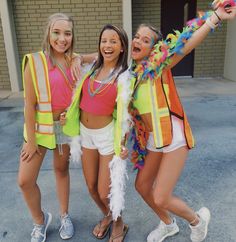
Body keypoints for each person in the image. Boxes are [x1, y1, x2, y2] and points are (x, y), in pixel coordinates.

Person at [128, 3, 236, 242]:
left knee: (161, 197)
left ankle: (197, 221)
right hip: (155, 138)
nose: (138, 41)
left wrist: (214, 17)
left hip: (173, 135)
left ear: (155, 49)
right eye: (137, 37)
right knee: (142, 186)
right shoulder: (132, 77)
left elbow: (185, 46)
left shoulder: (159, 66)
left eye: (146, 40)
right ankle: (168, 224)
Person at [17, 13, 95, 242]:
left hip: (65, 126)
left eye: (67, 34)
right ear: (48, 34)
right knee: (24, 180)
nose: (62, 39)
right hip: (39, 130)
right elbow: (29, 106)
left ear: (72, 36)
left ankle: (64, 216)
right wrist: (31, 141)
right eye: (57, 33)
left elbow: (99, 55)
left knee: (61, 171)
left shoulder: (73, 59)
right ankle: (40, 221)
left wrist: (80, 59)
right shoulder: (34, 61)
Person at [62, 24, 131, 242]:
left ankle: (119, 222)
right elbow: (80, 62)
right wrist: (79, 58)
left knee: (104, 191)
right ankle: (109, 216)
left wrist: (123, 141)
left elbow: (126, 114)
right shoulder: (92, 67)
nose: (107, 45)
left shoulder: (125, 76)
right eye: (104, 41)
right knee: (91, 187)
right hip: (85, 134)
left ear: (122, 47)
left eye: (113, 41)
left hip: (107, 136)